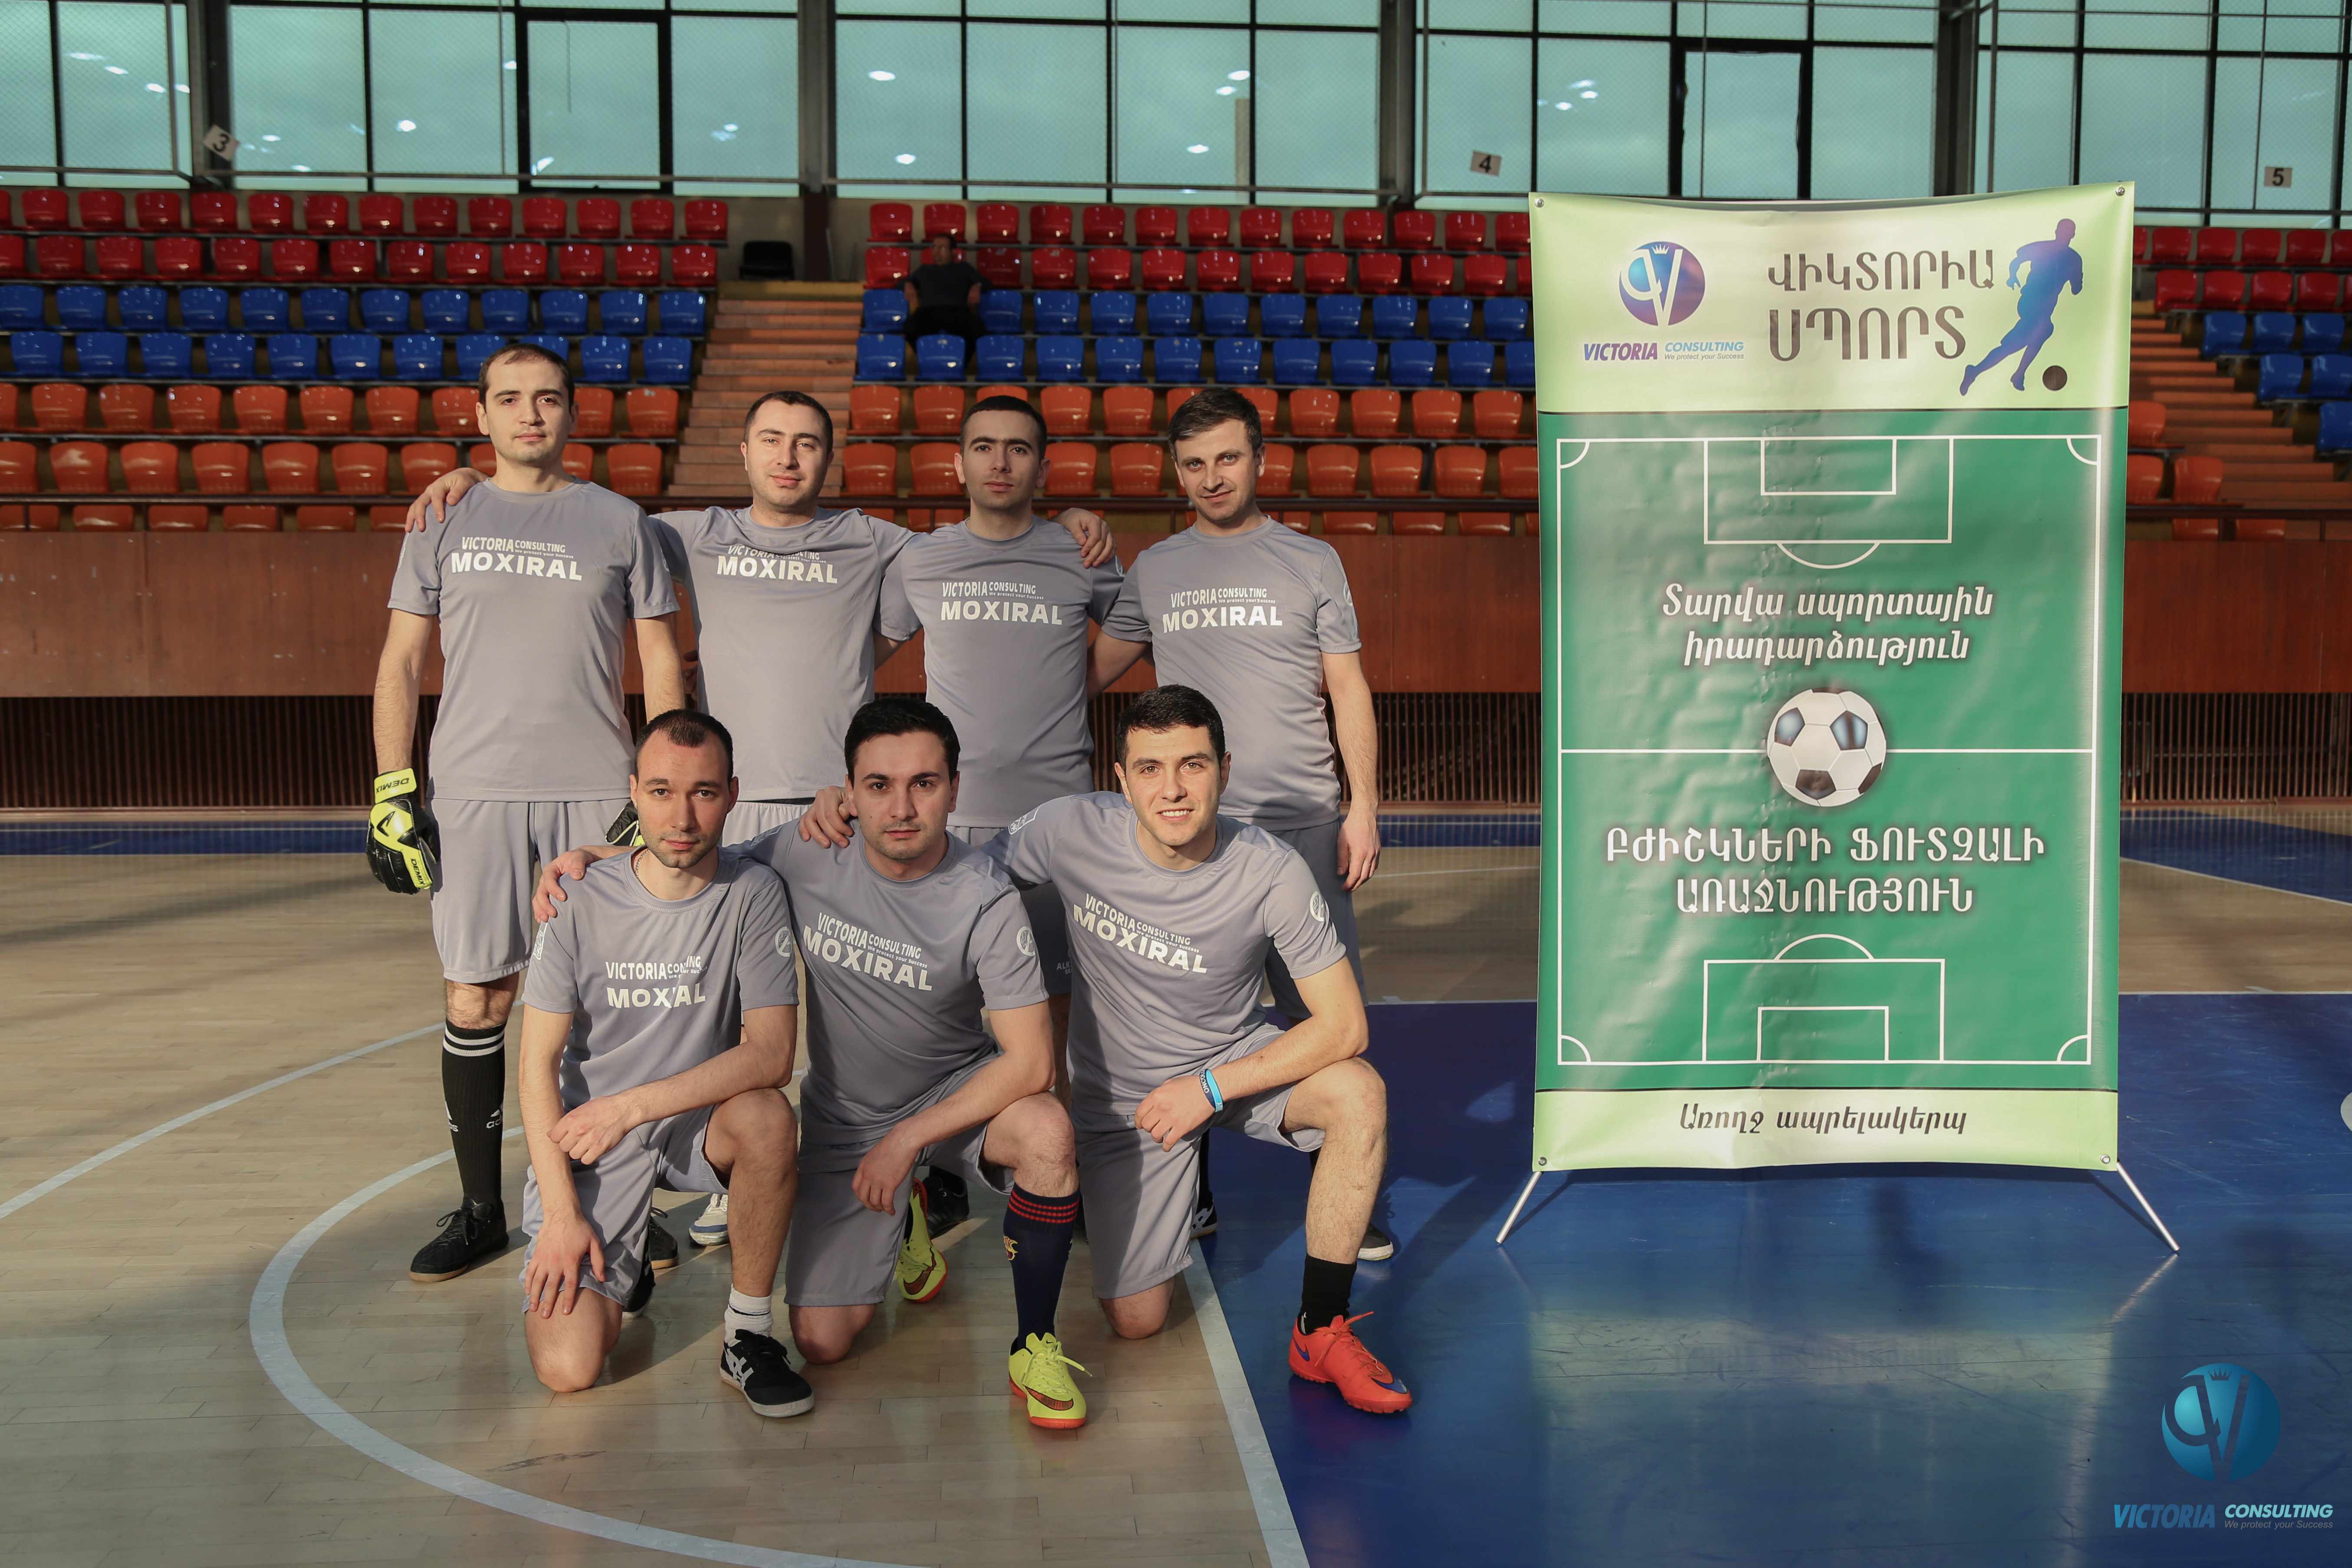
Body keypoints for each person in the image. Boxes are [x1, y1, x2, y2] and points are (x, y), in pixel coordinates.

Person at [406, 391, 1112, 1248]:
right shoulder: (688, 534)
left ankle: (928, 1167)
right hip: (726, 806)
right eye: (771, 440)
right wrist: (478, 480)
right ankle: (716, 1166)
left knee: (894, 986)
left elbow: (987, 540)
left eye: (807, 443)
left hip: (835, 817)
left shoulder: (881, 543)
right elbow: (575, 514)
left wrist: (1064, 521)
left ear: (829, 459)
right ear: (742, 453)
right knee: (715, 999)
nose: (787, 456)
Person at [536, 699, 1091, 1428]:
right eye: (878, 785)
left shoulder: (985, 897)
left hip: (952, 1101)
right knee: (821, 1342)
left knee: (1047, 1131)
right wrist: (593, 859)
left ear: (955, 788)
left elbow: (1033, 1063)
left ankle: (1034, 1342)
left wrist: (907, 1139)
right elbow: (695, 850)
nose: (901, 807)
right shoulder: (808, 849)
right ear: (848, 790)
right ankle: (904, 1218)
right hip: (846, 1120)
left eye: (923, 784)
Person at [983, 685, 1411, 1415]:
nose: (1172, 789)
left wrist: (1209, 1087)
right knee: (1136, 1320)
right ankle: (1118, 1198)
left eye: (1192, 764)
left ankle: (1319, 1329)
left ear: (1224, 769)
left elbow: (1344, 1025)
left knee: (1357, 1090)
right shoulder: (1066, 828)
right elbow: (959, 881)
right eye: (1149, 768)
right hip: (1124, 1098)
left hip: (1228, 1064)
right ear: (1120, 779)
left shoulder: (1270, 868)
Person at [369, 341, 688, 1286]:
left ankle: (615, 1199)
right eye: (509, 399)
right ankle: (481, 1211)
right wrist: (391, 788)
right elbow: (401, 662)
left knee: (607, 1003)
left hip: (593, 792)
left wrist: (658, 786)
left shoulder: (620, 522)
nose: (529, 414)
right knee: (478, 997)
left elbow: (661, 661)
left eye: (547, 398)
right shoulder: (441, 518)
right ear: (481, 415)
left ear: (572, 413)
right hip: (473, 792)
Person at [1086, 387, 1392, 1259]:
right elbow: (1086, 672)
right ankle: (1191, 1188)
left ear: (1259, 459)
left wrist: (1362, 806)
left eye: (1226, 458)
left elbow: (1347, 687)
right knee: (1183, 1016)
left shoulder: (1311, 560)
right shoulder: (1154, 569)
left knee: (1318, 1017)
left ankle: (1344, 1185)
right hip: (1191, 838)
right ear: (1175, 473)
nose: (1211, 477)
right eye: (1193, 464)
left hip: (1301, 826)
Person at [799, 394, 1128, 1080]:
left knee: (1055, 1014)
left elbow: (1135, 629)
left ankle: (1056, 1149)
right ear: (957, 465)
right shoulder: (922, 559)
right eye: (983, 447)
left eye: (1017, 448)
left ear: (1042, 468)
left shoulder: (1080, 552)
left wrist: (1071, 687)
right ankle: (941, 1147)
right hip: (944, 821)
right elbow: (853, 661)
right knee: (934, 1004)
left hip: (1055, 821)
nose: (999, 462)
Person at [513, 709, 812, 1418]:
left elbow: (772, 1054)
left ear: (732, 794)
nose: (681, 816)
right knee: (568, 1368)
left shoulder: (753, 892)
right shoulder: (576, 898)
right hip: (594, 1142)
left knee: (768, 1118)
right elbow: (534, 1066)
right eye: (660, 792)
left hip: (692, 1125)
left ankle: (747, 1331)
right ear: (633, 793)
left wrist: (631, 1106)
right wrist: (561, 1215)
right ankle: (623, 1263)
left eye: (703, 792)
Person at [1961, 218, 2085, 395]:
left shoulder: (2074, 259)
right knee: (2043, 329)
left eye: (2068, 232)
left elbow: (2076, 290)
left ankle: (1983, 372)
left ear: (2073, 235)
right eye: (2062, 231)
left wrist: (2077, 278)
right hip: (2030, 302)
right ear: (2056, 231)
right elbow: (2017, 260)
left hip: (2046, 308)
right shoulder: (2042, 248)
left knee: (2024, 340)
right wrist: (2012, 276)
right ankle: (2016, 374)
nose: (2064, 235)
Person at [904, 233, 987, 360]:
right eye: (934, 248)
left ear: (953, 252)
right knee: (909, 328)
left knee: (978, 329)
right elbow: (902, 283)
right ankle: (928, 360)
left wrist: (977, 286)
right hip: (928, 313)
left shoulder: (964, 268)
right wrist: (908, 284)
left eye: (942, 248)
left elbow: (987, 283)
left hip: (957, 312)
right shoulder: (924, 270)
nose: (936, 252)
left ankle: (960, 362)